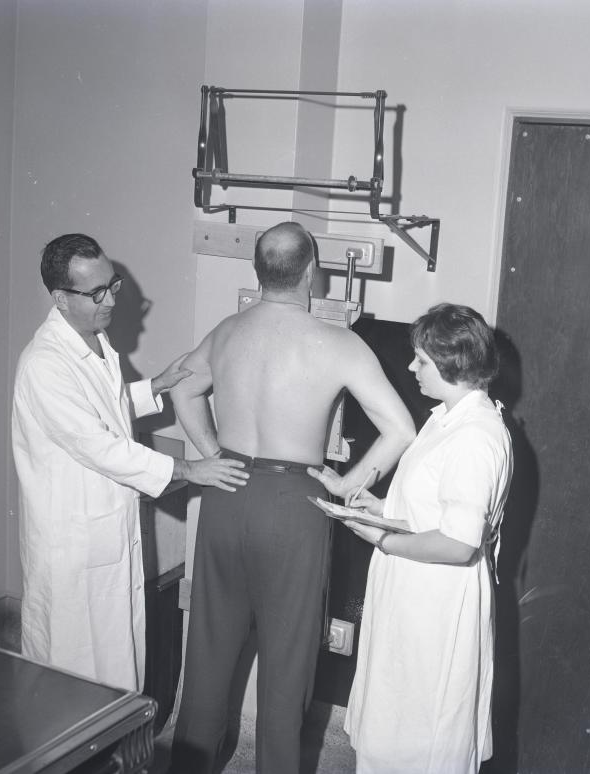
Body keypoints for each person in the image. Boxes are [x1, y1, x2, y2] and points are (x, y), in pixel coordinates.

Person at [168, 221, 416, 774]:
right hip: (294, 502)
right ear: (312, 271)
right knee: (287, 666)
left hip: (226, 494)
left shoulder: (226, 331)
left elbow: (182, 388)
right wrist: (350, 483)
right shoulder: (335, 342)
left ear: (258, 273)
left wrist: (210, 454)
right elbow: (401, 428)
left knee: (207, 653)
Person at [11, 233, 248, 693]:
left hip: (105, 528)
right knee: (70, 673)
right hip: (72, 542)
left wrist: (155, 385)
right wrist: (188, 470)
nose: (111, 301)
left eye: (112, 285)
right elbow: (97, 444)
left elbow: (105, 409)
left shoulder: (94, 341)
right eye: (96, 292)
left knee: (113, 659)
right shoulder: (44, 363)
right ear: (60, 297)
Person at [308, 302, 514, 773]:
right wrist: (382, 511)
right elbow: (434, 513)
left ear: (452, 363)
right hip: (414, 592)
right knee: (396, 717)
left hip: (437, 601)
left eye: (420, 360)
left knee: (422, 730)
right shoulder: (445, 419)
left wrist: (384, 540)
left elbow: (458, 544)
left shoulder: (477, 436)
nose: (410, 367)